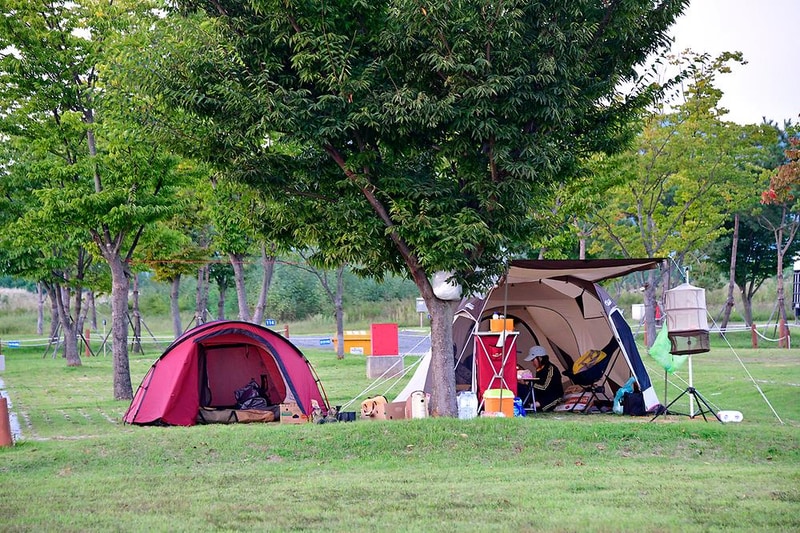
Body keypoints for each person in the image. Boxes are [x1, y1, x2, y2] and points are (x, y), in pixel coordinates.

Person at [524, 346, 563, 411]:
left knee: (540, 407)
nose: (532, 363)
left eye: (533, 360)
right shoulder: (539, 369)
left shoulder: (550, 369)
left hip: (554, 397)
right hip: (542, 395)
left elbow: (544, 387)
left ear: (540, 358)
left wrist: (528, 383)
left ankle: (534, 405)